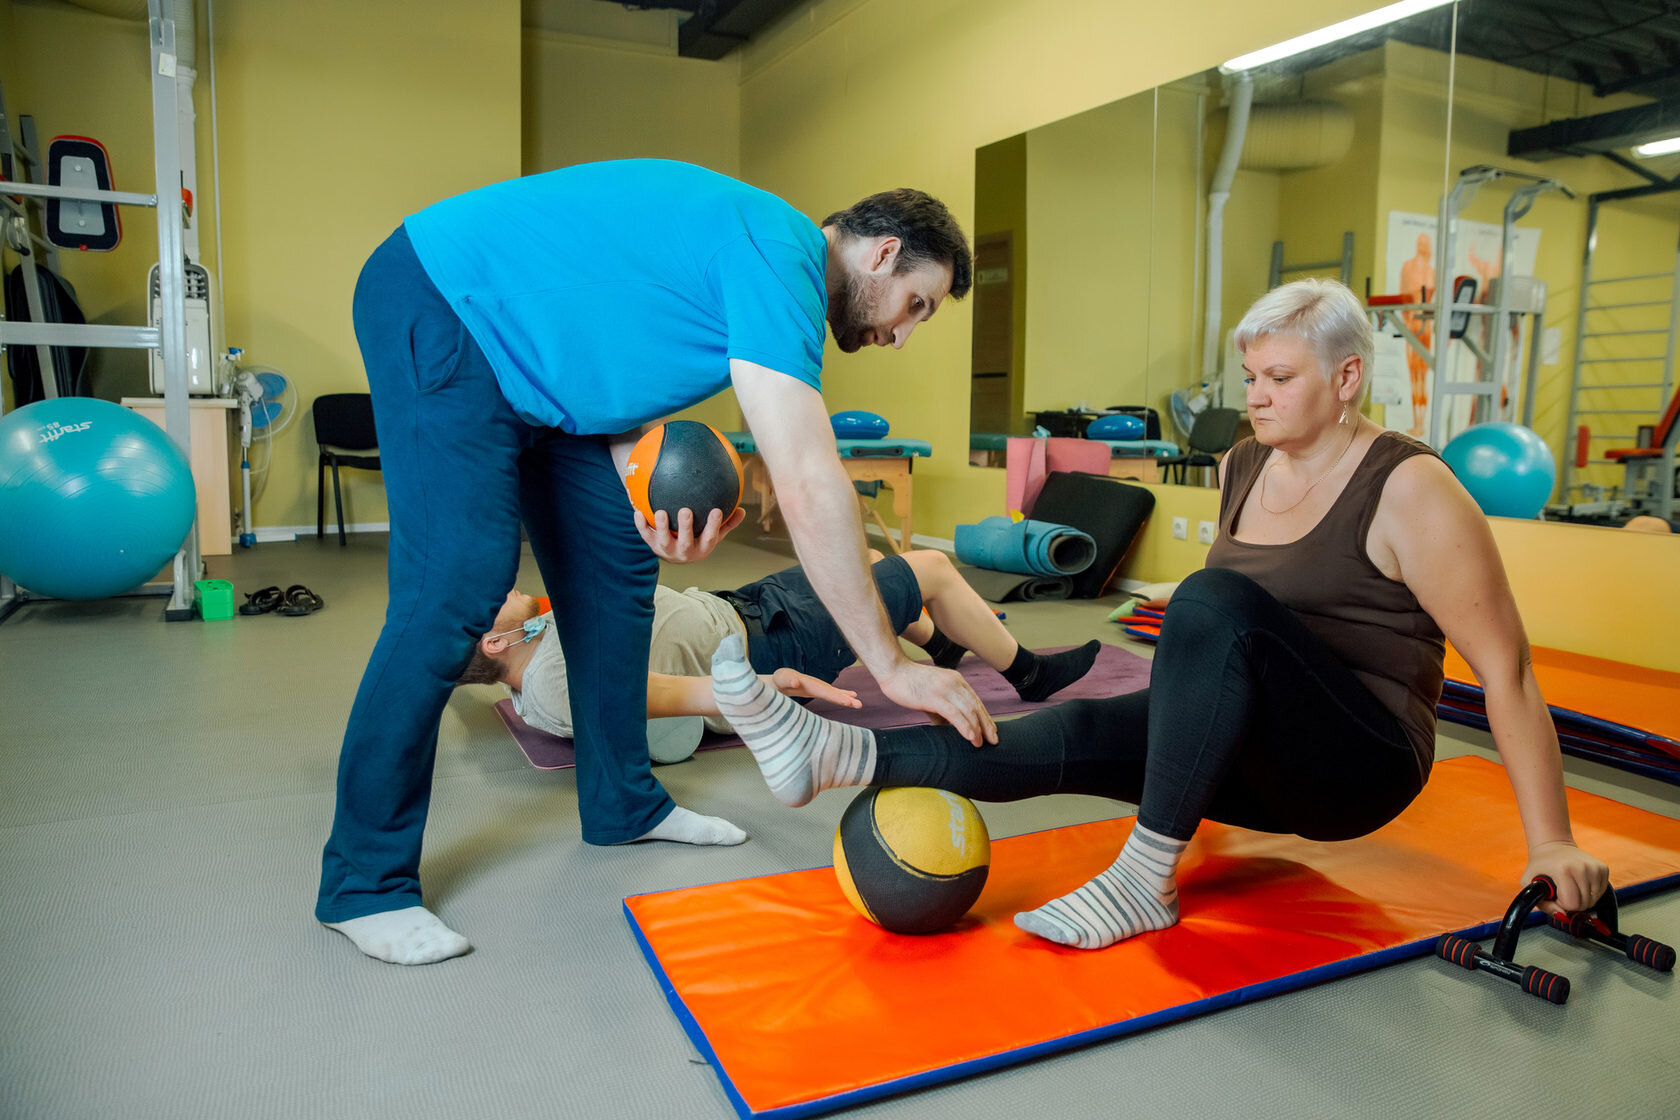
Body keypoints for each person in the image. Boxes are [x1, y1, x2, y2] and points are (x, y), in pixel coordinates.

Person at [710, 277, 1611, 951]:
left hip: (1358, 763)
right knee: (1070, 731)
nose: (1253, 396)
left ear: (1346, 379)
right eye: (1250, 374)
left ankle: (1146, 879)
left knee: (1209, 601)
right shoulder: (1244, 465)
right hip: (1259, 745)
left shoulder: (1412, 489)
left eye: (1279, 376)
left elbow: (1509, 672)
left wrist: (1553, 843)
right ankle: (838, 753)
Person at [317, 159, 997, 966]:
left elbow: (602, 359)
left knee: (614, 567)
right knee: (456, 585)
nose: (903, 332)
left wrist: (655, 513)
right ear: (880, 255)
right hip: (445, 301)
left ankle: (623, 804)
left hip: (542, 378)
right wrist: (888, 664)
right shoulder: (780, 254)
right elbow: (809, 477)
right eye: (915, 305)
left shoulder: (757, 264)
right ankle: (363, 884)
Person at [461, 549, 1101, 740]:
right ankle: (1028, 675)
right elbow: (668, 700)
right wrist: (777, 686)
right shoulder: (548, 681)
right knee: (929, 567)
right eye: (489, 596)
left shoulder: (536, 642)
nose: (500, 582)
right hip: (772, 642)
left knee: (869, 558)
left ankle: (943, 646)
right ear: (494, 640)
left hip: (742, 607)